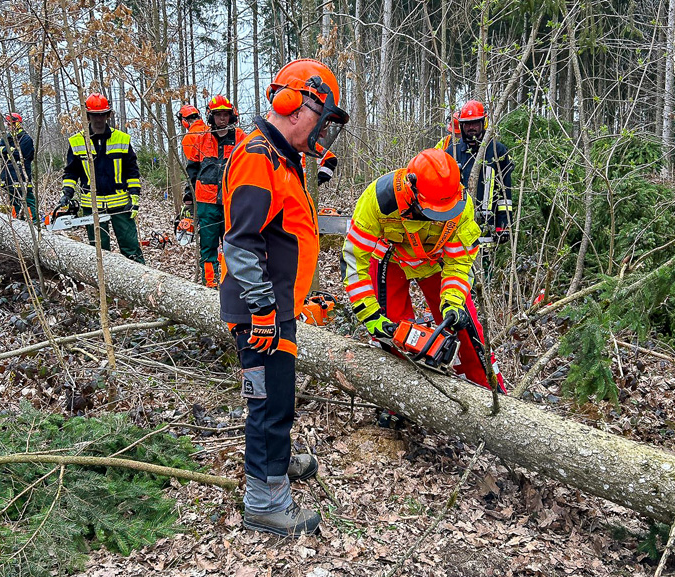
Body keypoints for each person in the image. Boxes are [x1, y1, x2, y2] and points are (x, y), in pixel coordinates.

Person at [221, 58, 349, 537]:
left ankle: (276, 463)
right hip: (264, 309)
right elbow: (241, 243)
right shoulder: (259, 157)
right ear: (295, 106)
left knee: (279, 396)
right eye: (322, 119)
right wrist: (263, 312)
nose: (323, 134)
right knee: (269, 403)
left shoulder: (283, 157)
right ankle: (264, 500)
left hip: (278, 304)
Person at [342, 148, 491, 396]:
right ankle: (398, 402)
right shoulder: (379, 200)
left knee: (465, 328)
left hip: (436, 262)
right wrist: (371, 316)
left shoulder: (461, 206)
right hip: (390, 259)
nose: (438, 218)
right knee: (393, 332)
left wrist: (453, 301)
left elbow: (459, 261)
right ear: (412, 190)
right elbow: (354, 262)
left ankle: (486, 395)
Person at [59, 93, 144, 264]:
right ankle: (102, 287)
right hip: (92, 205)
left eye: (101, 115)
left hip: (120, 203)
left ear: (108, 115)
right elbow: (71, 172)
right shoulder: (77, 141)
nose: (98, 119)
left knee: (131, 247)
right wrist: (67, 193)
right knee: (98, 250)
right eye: (94, 115)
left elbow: (132, 171)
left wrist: (134, 195)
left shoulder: (122, 139)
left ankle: (142, 282)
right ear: (88, 116)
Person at [183, 95, 246, 287]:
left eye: (225, 115)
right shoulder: (201, 139)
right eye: (218, 115)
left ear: (231, 116)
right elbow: (192, 169)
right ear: (212, 117)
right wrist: (189, 197)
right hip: (206, 202)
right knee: (208, 245)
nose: (222, 119)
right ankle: (209, 284)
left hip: (232, 202)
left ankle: (232, 284)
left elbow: (247, 169)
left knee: (233, 245)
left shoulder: (240, 138)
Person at [445, 100, 513, 244]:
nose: (471, 128)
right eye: (467, 124)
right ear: (461, 126)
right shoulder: (452, 152)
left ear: (484, 123)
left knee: (486, 265)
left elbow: (505, 192)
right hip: (457, 228)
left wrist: (504, 225)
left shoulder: (497, 151)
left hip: (488, 228)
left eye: (475, 123)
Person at [0, 113, 37, 221]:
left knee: (27, 198)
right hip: (8, 174)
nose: (10, 126)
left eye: (12, 124)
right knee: (13, 199)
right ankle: (17, 220)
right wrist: (7, 150)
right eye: (8, 124)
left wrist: (6, 151)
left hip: (22, 174)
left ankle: (32, 220)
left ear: (18, 123)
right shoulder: (6, 138)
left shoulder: (25, 138)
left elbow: (19, 154)